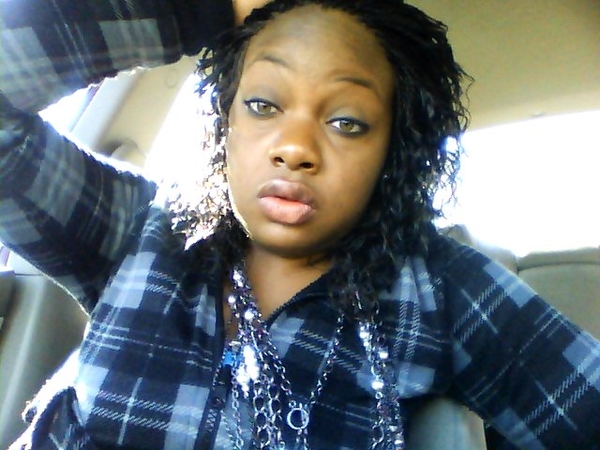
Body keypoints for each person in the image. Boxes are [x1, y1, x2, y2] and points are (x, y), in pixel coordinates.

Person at [1, 0, 599, 449]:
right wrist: (206, 7)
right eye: (263, 105)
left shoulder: (438, 287)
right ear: (225, 121)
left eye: (346, 122)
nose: (294, 147)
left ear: (393, 152)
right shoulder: (139, 230)